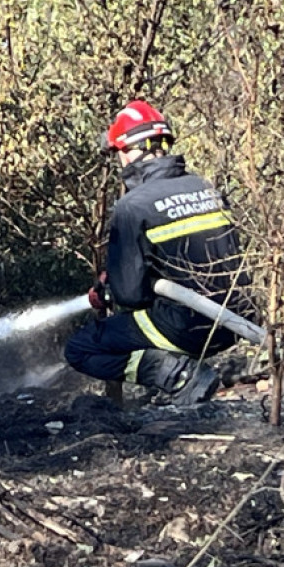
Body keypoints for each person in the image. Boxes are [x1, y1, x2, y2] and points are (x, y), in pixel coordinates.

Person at [64, 100, 251, 406]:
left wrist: (112, 289)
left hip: (189, 327)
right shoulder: (207, 188)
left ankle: (178, 375)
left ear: (129, 150)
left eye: (119, 154)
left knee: (81, 349)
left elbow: (130, 296)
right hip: (237, 321)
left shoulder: (133, 205)